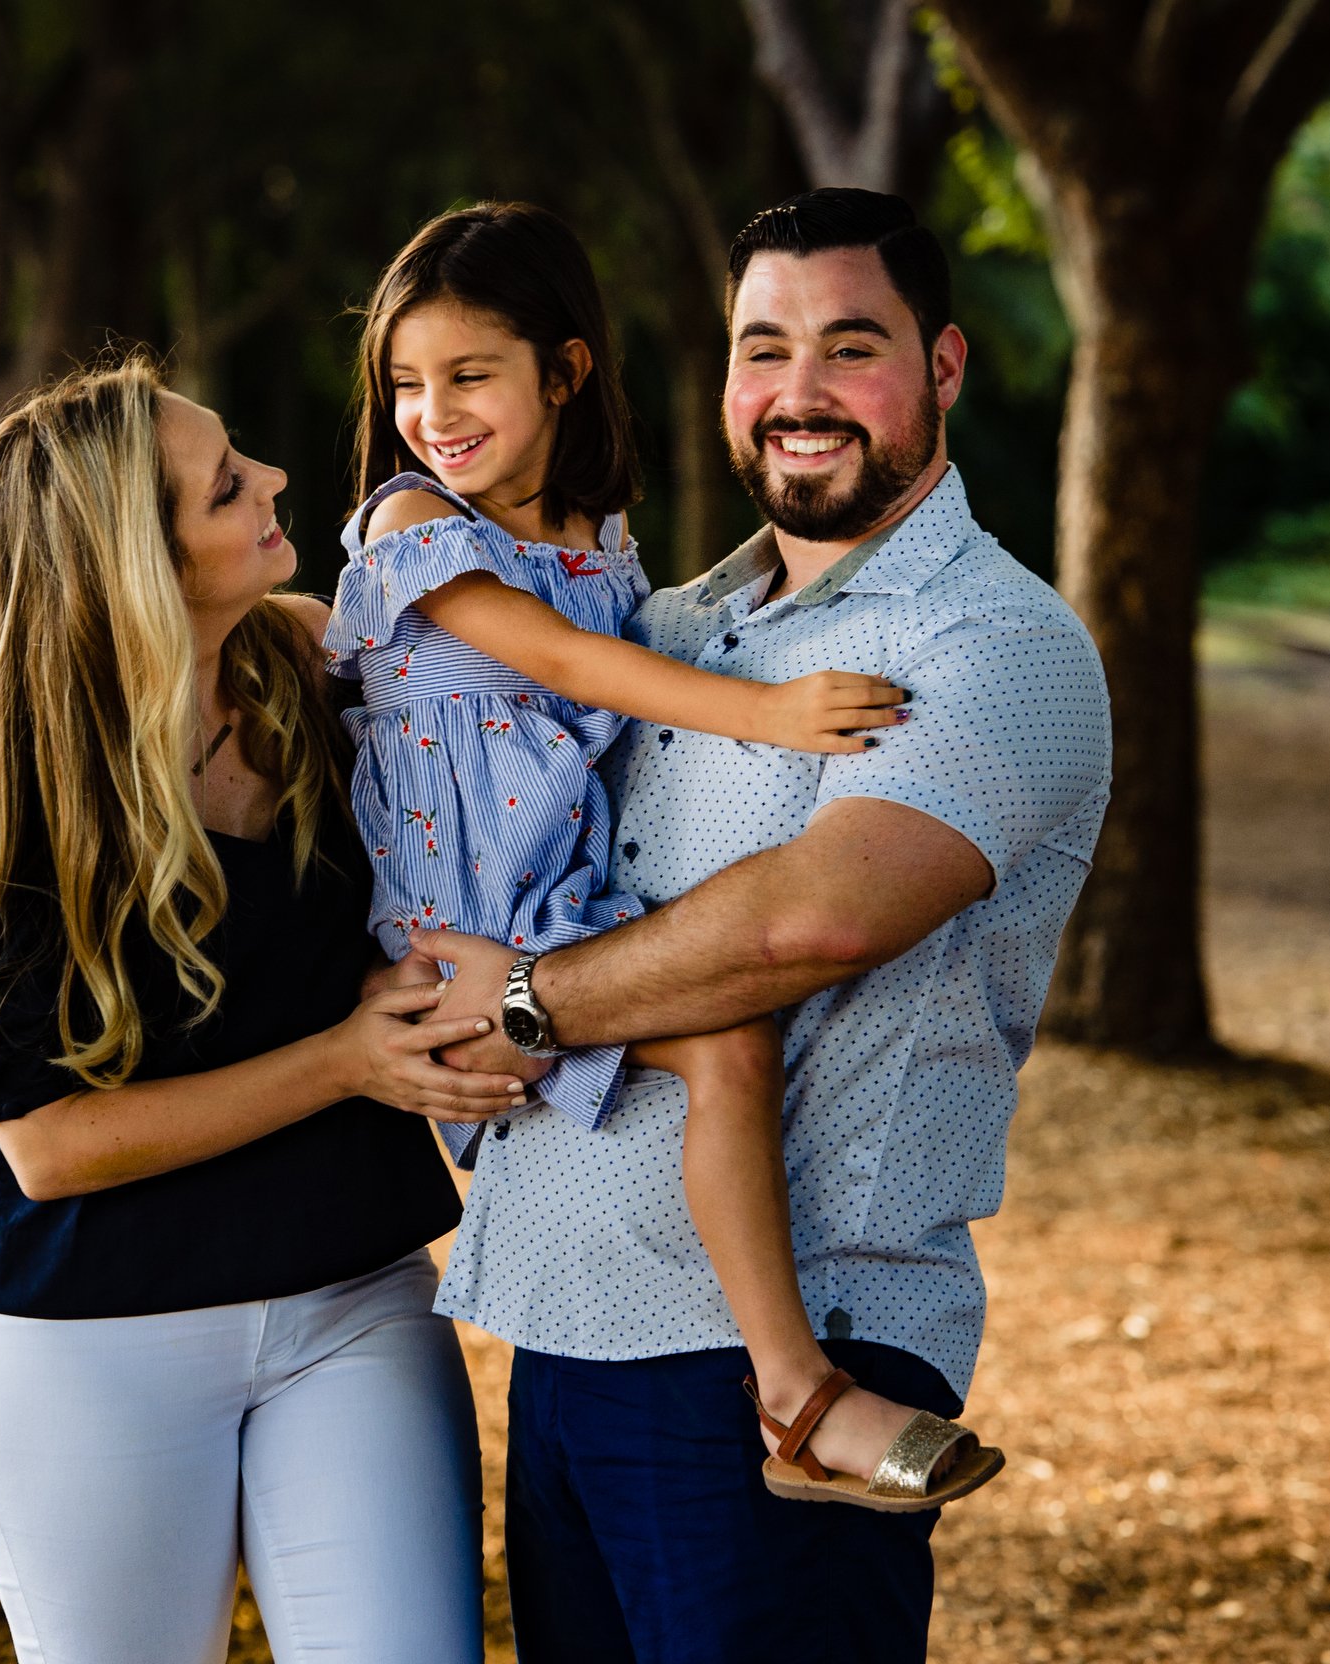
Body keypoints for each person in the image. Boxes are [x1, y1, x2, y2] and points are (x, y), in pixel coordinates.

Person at [412, 189, 1114, 1661]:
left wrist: (521, 1001)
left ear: (945, 367)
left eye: (850, 348)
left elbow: (810, 921)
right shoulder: (667, 629)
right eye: (762, 348)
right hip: (566, 1325)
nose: (798, 394)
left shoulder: (1000, 647)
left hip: (787, 1356)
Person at [325, 201, 1000, 1512]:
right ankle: (799, 1395)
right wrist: (771, 712)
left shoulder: (596, 537)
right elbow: (566, 666)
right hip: (465, 917)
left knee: (731, 1040)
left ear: (565, 371)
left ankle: (790, 1394)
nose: (431, 412)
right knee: (726, 1038)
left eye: (469, 375)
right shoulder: (415, 519)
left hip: (552, 901)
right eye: (405, 383)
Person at [0, 356, 516, 1664]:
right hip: (89, 1340)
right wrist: (343, 1063)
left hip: (351, 1300)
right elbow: (50, 1146)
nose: (271, 481)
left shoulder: (318, 665)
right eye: (225, 488)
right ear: (139, 566)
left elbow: (519, 752)